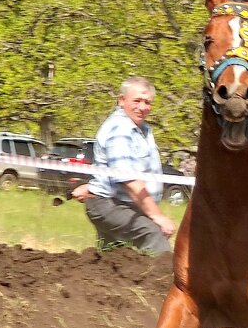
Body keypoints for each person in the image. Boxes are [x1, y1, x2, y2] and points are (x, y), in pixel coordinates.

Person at [74, 76, 176, 255]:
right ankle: (165, 281)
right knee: (153, 234)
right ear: (121, 100)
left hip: (118, 203)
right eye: (136, 101)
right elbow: (130, 181)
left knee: (115, 257)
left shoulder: (141, 129)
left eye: (147, 102)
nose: (142, 107)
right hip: (110, 205)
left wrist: (93, 185)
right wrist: (157, 216)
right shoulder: (120, 130)